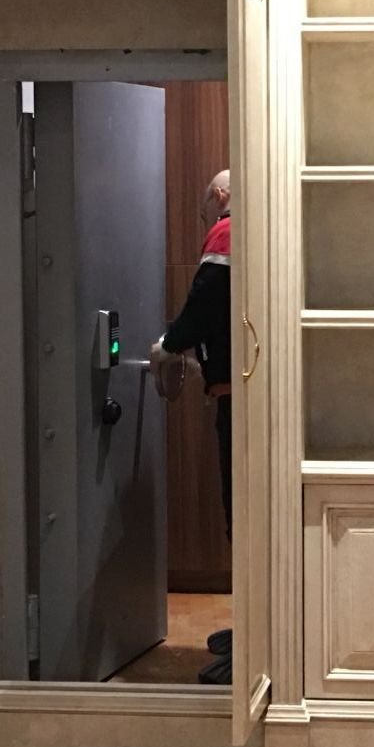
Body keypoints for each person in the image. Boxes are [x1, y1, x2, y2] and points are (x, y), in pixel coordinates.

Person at [151, 169, 233, 685]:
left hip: (238, 400)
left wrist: (168, 344)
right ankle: (255, 632)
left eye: (205, 201)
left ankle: (258, 648)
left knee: (244, 517)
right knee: (248, 516)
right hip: (239, 391)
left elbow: (204, 303)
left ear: (220, 195)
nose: (203, 212)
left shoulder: (226, 231)